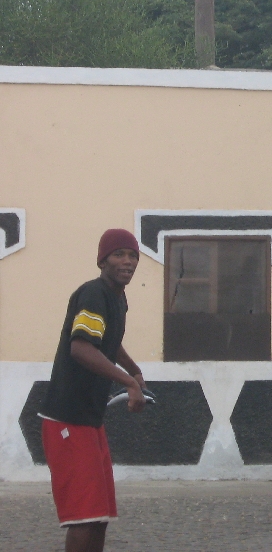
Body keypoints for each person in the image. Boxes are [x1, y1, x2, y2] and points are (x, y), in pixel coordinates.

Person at [39, 229, 147, 552]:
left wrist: (134, 370)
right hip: (67, 420)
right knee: (84, 517)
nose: (127, 261)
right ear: (102, 261)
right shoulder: (93, 295)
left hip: (90, 421)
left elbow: (108, 341)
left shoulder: (117, 298)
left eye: (132, 256)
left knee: (99, 515)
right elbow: (82, 348)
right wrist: (128, 384)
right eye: (118, 255)